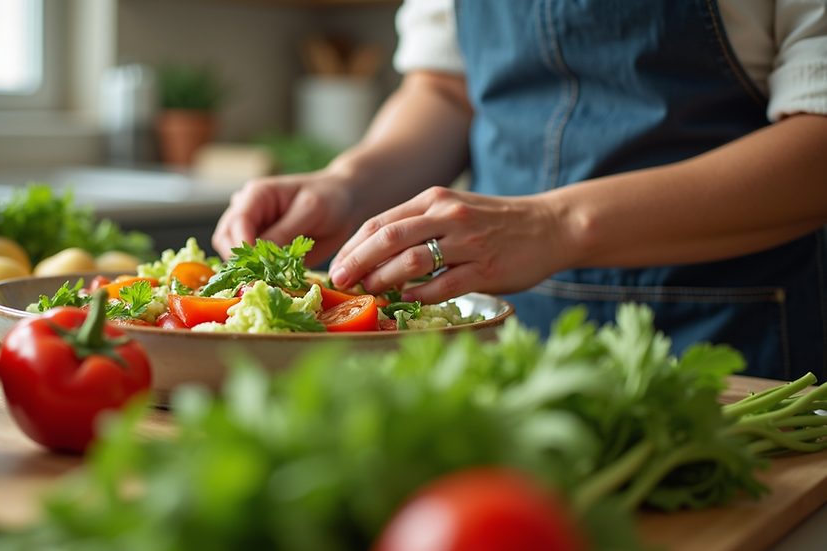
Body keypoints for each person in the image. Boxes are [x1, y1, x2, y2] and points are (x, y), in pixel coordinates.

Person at [213, 0, 827, 381]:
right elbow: (446, 90)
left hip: (735, 335)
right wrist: (347, 184)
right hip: (506, 334)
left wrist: (555, 225)